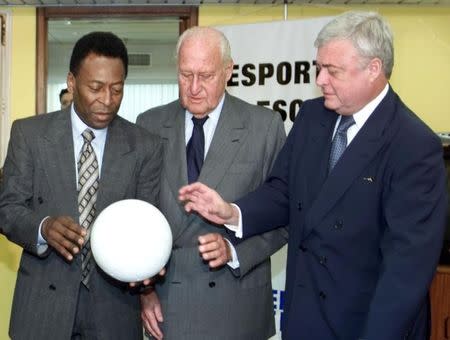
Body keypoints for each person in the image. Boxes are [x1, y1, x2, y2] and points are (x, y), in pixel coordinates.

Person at [179, 12, 448, 340]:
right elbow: (283, 191)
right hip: (305, 318)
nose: (320, 80)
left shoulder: (413, 145)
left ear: (373, 69)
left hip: (364, 326)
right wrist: (232, 211)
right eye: (318, 68)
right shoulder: (311, 117)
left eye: (332, 71)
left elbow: (405, 273)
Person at [0, 31, 163, 340]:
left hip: (114, 309)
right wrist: (43, 227)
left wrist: (149, 271)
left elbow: (149, 223)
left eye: (117, 89)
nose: (107, 100)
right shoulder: (29, 135)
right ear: (72, 83)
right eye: (96, 87)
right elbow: (7, 209)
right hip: (42, 308)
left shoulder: (145, 146)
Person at [136, 26, 288, 340]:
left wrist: (234, 251)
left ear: (228, 71)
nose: (193, 88)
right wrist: (145, 291)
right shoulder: (149, 124)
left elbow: (285, 216)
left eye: (205, 76)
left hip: (236, 304)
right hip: (167, 306)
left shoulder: (264, 127)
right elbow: (140, 218)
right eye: (184, 74)